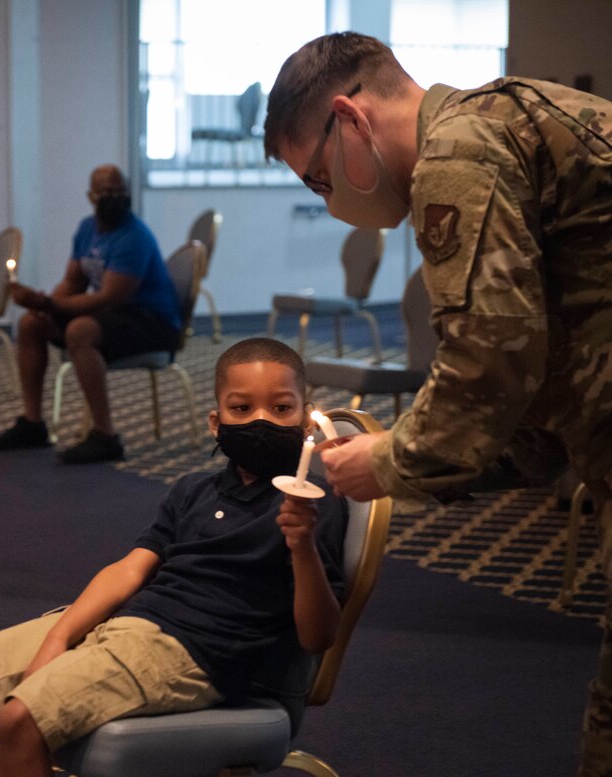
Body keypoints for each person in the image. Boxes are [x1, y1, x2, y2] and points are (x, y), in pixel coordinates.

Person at [262, 31, 612, 776]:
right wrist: (419, 457)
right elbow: (537, 405)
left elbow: (490, 362)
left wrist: (388, 461)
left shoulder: (453, 156)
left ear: (351, 121)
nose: (330, 206)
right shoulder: (499, 118)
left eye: (321, 180)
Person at [0, 337, 347, 777]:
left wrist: (303, 546)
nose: (260, 421)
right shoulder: (193, 490)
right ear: (215, 423)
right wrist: (59, 638)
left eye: (281, 408)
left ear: (304, 419)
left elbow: (317, 637)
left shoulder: (315, 507)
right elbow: (129, 570)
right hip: (133, 622)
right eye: (241, 409)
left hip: (201, 652)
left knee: (20, 719)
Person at [0, 164, 181, 464]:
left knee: (81, 331)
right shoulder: (87, 229)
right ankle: (33, 423)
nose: (114, 198)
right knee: (30, 324)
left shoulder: (134, 237)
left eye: (120, 192)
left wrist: (47, 304)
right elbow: (73, 282)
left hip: (152, 322)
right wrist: (44, 308)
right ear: (91, 196)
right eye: (106, 192)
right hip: (115, 316)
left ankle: (106, 436)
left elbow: (109, 298)